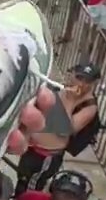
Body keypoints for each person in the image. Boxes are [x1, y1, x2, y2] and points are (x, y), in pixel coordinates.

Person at [13, 64, 100, 193]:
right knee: (22, 179)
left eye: (87, 81)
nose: (81, 84)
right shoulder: (58, 89)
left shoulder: (88, 106)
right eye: (79, 78)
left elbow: (64, 130)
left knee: (30, 188)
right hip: (31, 147)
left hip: (46, 155)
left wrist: (70, 101)